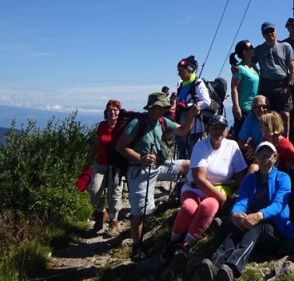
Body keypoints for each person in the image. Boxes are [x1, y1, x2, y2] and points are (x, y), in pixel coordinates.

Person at [197, 141, 294, 281]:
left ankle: (232, 268)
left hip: (277, 231)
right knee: (238, 225)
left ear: (275, 157)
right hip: (252, 223)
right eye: (261, 155)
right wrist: (236, 214)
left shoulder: (283, 178)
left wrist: (259, 215)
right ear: (256, 157)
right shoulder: (249, 179)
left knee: (254, 227)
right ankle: (215, 265)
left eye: (268, 155)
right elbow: (242, 201)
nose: (265, 159)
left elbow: (278, 205)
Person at [116, 92, 197, 261]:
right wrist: (141, 158)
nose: (164, 110)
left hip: (157, 166)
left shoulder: (161, 121)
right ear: (152, 107)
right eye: (161, 107)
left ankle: (192, 195)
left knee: (190, 165)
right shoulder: (137, 123)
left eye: (166, 107)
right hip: (139, 170)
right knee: (139, 212)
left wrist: (190, 116)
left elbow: (182, 131)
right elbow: (121, 147)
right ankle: (137, 248)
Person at [160, 115, 247, 264]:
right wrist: (223, 199)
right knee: (188, 208)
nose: (218, 131)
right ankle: (172, 241)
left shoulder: (232, 146)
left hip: (220, 189)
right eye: (215, 128)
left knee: (209, 206)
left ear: (227, 131)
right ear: (208, 130)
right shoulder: (200, 146)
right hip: (194, 188)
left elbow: (240, 175)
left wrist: (243, 199)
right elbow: (199, 179)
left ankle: (186, 245)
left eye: (222, 128)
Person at [86, 99, 123, 236]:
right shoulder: (102, 126)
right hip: (100, 163)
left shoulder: (122, 127)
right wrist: (88, 161)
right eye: (110, 110)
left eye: (115, 110)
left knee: (114, 194)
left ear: (119, 112)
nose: (112, 112)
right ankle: (101, 214)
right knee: (95, 191)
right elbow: (97, 144)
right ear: (106, 112)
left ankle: (114, 222)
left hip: (115, 166)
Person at [254, 21, 294, 134]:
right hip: (266, 86)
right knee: (267, 117)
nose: (269, 34)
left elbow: (293, 68)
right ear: (263, 35)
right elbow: (247, 62)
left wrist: (290, 86)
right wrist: (236, 66)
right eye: (266, 32)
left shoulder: (285, 46)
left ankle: (284, 142)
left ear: (276, 31)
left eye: (271, 30)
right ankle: (269, 141)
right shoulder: (258, 50)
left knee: (285, 116)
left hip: (282, 84)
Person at [176, 55, 212, 159]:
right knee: (182, 153)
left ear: (189, 70)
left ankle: (192, 174)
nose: (179, 74)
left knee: (193, 154)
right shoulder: (181, 85)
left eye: (181, 71)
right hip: (182, 125)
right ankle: (183, 173)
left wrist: (189, 106)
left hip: (195, 127)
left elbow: (206, 101)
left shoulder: (198, 83)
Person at [229, 40, 260, 140]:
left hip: (255, 107)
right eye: (250, 47)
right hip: (244, 108)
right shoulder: (239, 69)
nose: (253, 48)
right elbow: (234, 87)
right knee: (242, 137)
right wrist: (236, 107)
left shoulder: (254, 66)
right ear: (244, 52)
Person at [236, 95, 268, 163]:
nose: (262, 110)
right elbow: (241, 142)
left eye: (264, 107)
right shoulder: (250, 119)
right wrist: (249, 148)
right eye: (258, 107)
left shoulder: (273, 118)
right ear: (253, 109)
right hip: (256, 150)